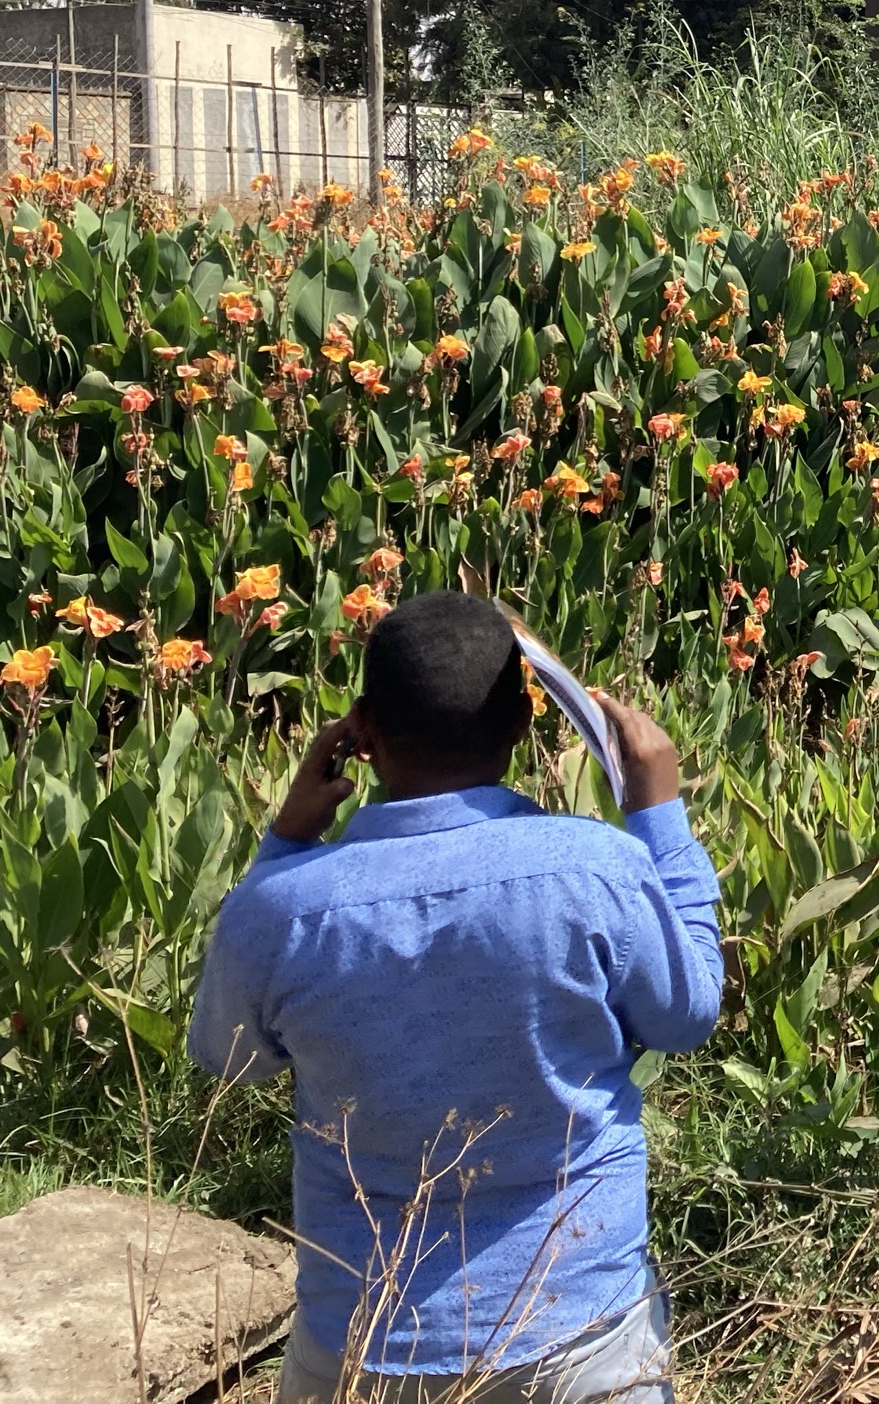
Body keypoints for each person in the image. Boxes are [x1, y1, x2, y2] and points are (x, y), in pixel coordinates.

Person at [191, 591, 721, 1402]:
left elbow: (225, 1058)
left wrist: (283, 846)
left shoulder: (284, 907)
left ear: (359, 735)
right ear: (521, 726)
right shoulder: (593, 871)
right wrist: (660, 818)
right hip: (577, 1331)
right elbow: (687, 1016)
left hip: (363, 1345)